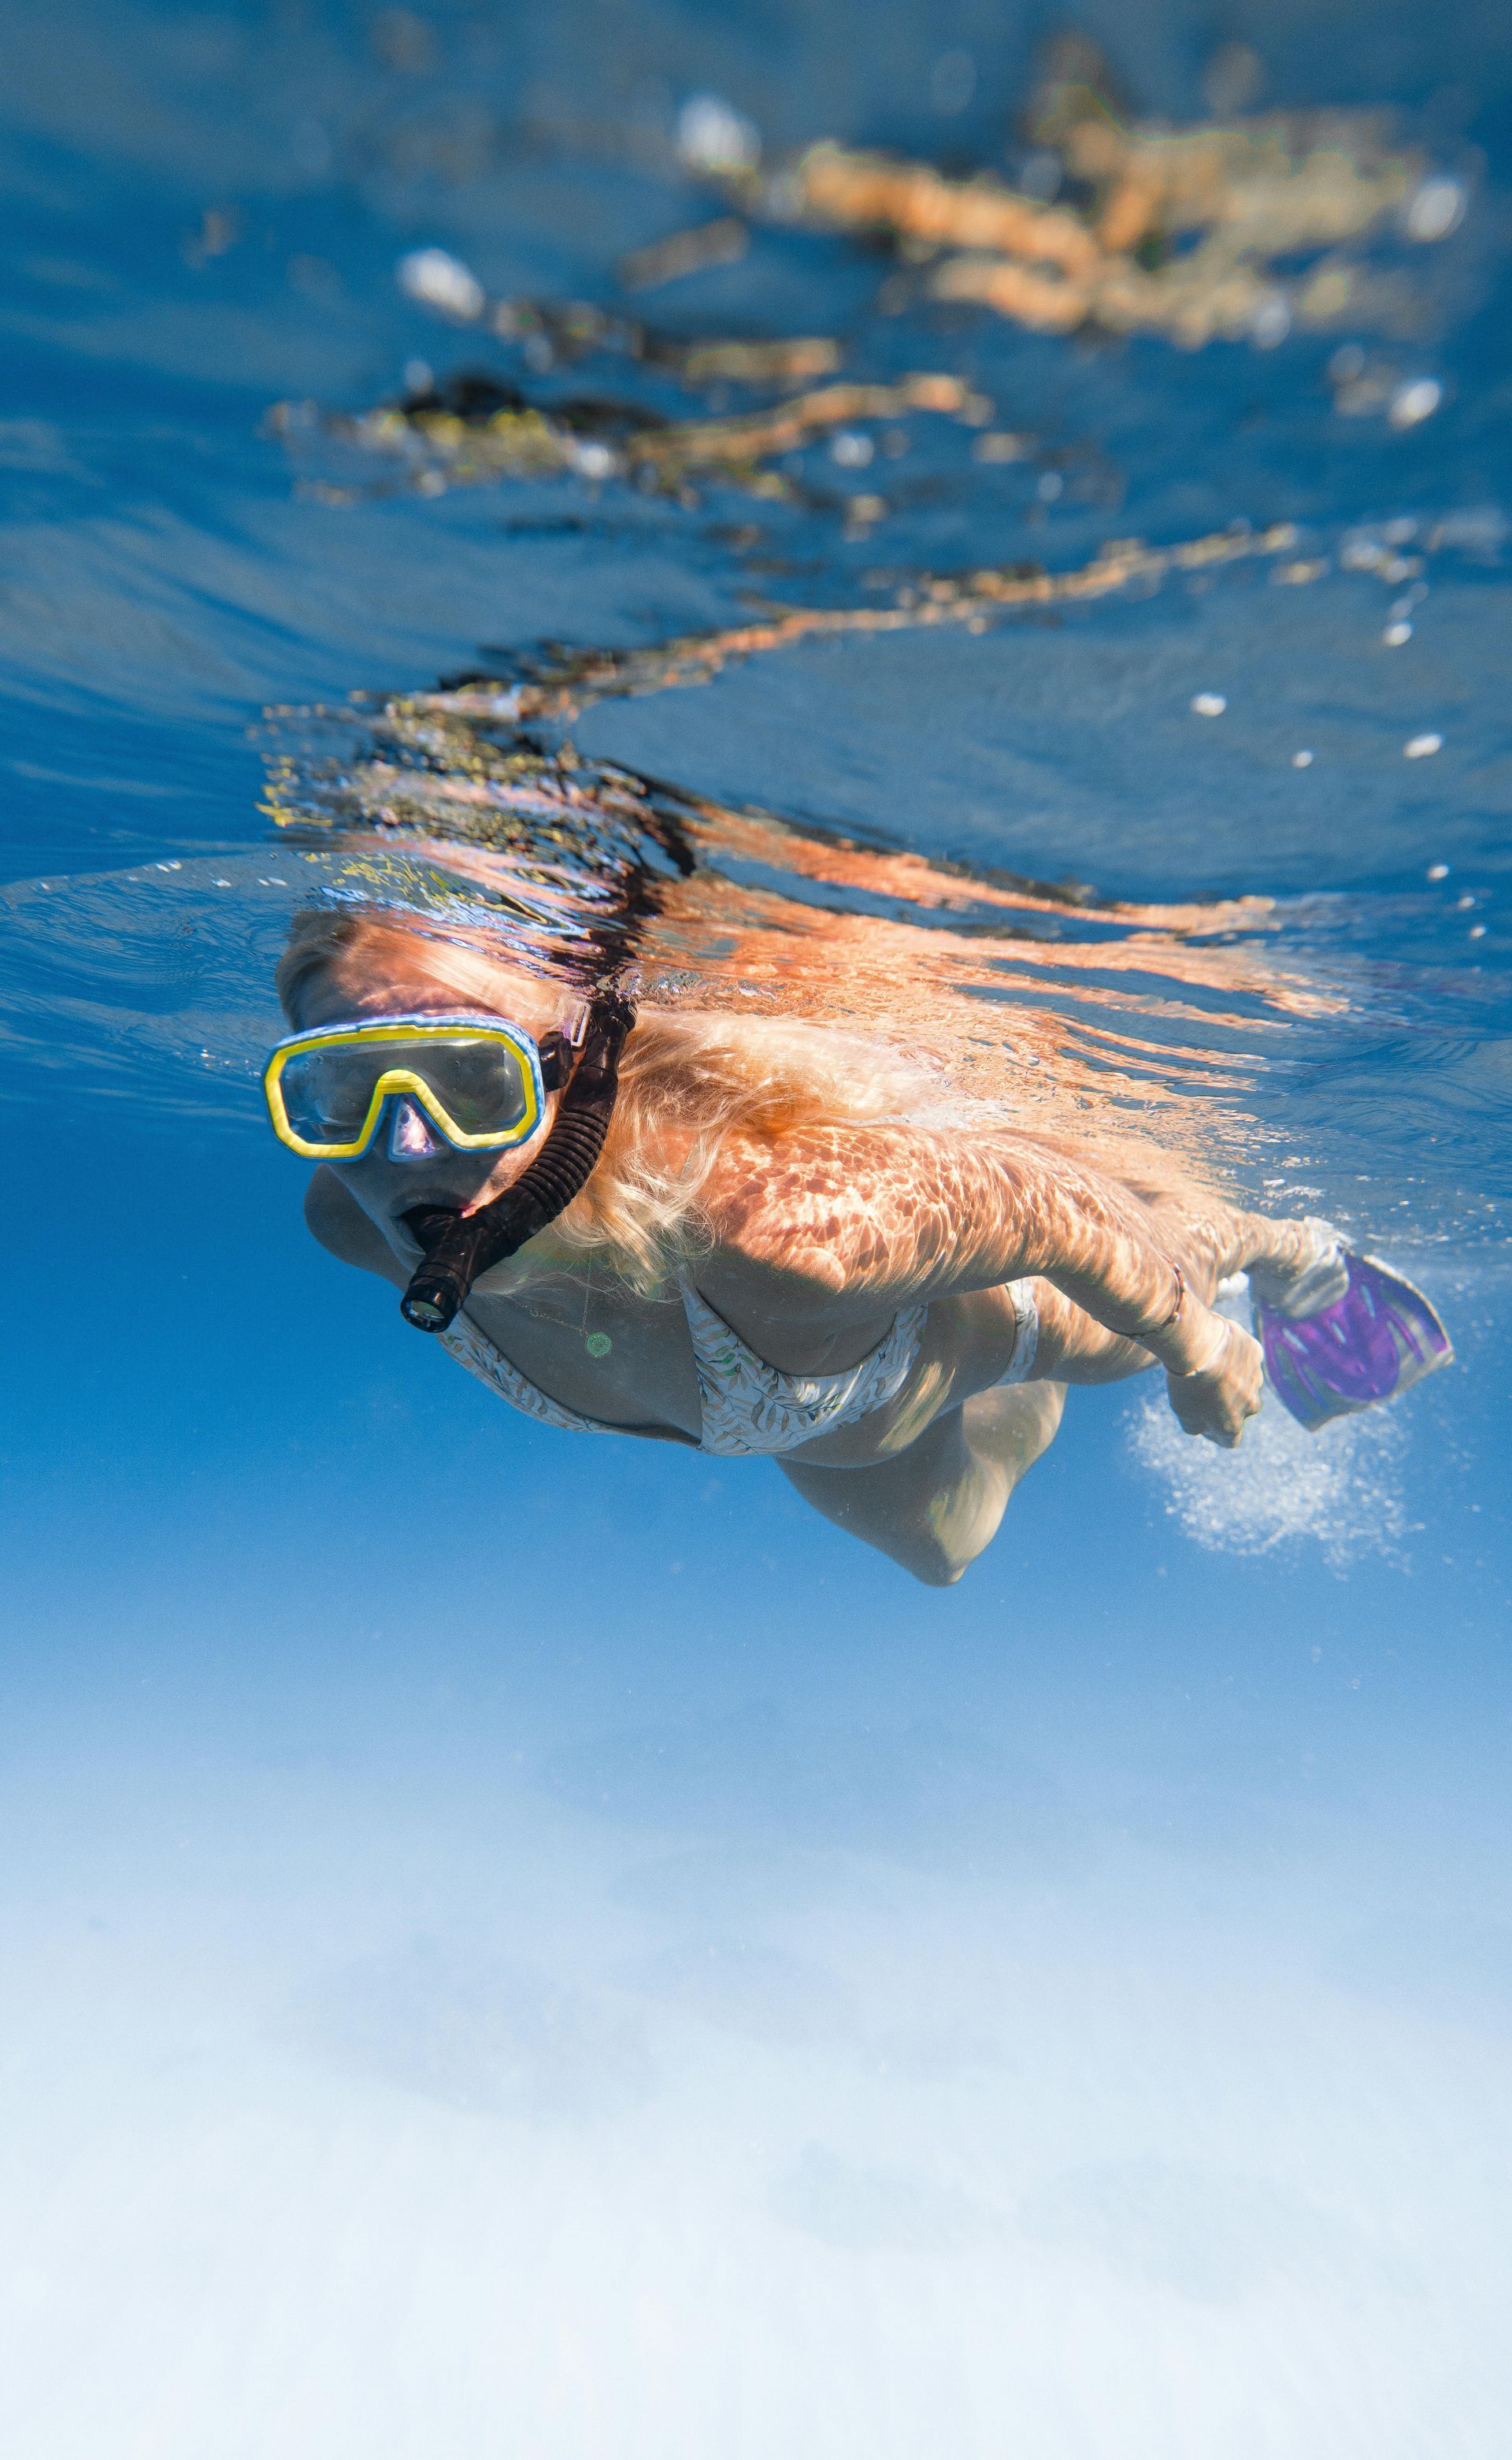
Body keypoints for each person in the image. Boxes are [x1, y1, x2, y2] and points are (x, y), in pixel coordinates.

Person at [265, 902, 1387, 1586]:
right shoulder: (348, 1221)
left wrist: (1200, 1350)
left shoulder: (779, 1229)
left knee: (1148, 1307)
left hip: (985, 1321)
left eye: (474, 1079)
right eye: (339, 1091)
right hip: (819, 1420)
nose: (407, 1149)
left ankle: (1289, 1251)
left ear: (579, 1071)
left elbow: (1063, 1211)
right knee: (946, 1558)